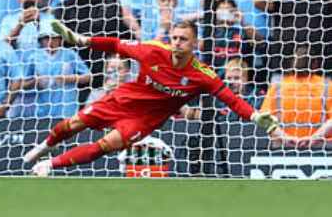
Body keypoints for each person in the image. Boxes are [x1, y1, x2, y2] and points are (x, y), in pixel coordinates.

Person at [24, 20, 285, 175]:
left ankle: (50, 164)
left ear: (195, 43)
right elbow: (116, 45)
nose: (177, 42)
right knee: (72, 125)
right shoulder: (153, 51)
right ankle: (45, 146)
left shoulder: (202, 74)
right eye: (175, 37)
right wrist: (83, 40)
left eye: (184, 39)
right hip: (121, 100)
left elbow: (231, 99)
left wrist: (255, 116)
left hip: (145, 120)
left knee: (106, 145)